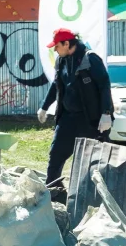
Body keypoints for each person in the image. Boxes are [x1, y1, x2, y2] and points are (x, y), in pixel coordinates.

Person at [38, 28, 113, 189]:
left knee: (90, 159)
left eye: (57, 46)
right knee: (56, 154)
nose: (55, 49)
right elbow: (56, 85)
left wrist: (106, 113)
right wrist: (44, 107)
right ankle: (53, 191)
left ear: (67, 43)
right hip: (67, 118)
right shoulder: (61, 60)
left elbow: (104, 86)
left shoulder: (90, 59)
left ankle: (92, 194)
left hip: (89, 119)